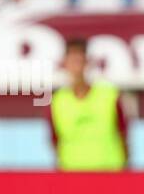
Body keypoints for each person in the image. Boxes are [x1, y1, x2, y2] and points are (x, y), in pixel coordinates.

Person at [50, 39, 129, 171]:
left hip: (109, 172)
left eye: (80, 61)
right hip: (71, 174)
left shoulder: (109, 95)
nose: (76, 68)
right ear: (64, 64)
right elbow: (54, 140)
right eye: (72, 62)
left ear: (88, 63)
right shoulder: (57, 101)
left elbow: (123, 133)